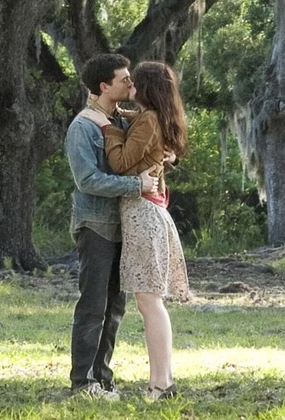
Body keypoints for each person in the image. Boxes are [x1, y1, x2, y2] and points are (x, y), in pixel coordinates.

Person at [80, 61, 190, 401]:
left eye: (133, 83)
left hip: (142, 215)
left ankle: (161, 383)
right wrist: (119, 118)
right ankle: (162, 380)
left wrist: (108, 129)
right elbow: (142, 135)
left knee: (149, 302)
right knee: (150, 302)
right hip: (147, 213)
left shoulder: (148, 119)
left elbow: (120, 162)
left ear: (144, 89)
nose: (129, 87)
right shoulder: (153, 117)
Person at [65, 53, 159, 401]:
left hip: (123, 227)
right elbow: (87, 179)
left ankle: (103, 379)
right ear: (104, 86)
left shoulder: (118, 119)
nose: (130, 84)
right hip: (96, 226)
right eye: (124, 80)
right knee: (93, 305)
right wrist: (137, 186)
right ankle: (82, 384)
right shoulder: (83, 127)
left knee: (115, 307)